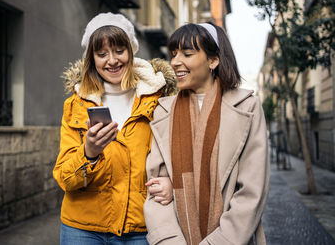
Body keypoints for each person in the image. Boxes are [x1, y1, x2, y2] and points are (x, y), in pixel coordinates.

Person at [53, 12, 176, 245]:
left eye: (119, 50)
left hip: (140, 227)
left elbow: (178, 157)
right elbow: (65, 178)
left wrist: (172, 184)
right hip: (82, 229)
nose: (112, 60)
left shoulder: (158, 100)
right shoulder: (76, 104)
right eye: (101, 54)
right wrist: (88, 152)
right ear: (92, 58)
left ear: (131, 51)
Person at [143, 22, 270, 245]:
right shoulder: (164, 111)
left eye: (187, 53)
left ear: (213, 60)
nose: (175, 62)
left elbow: (252, 191)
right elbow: (156, 188)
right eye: (174, 54)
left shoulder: (246, 107)